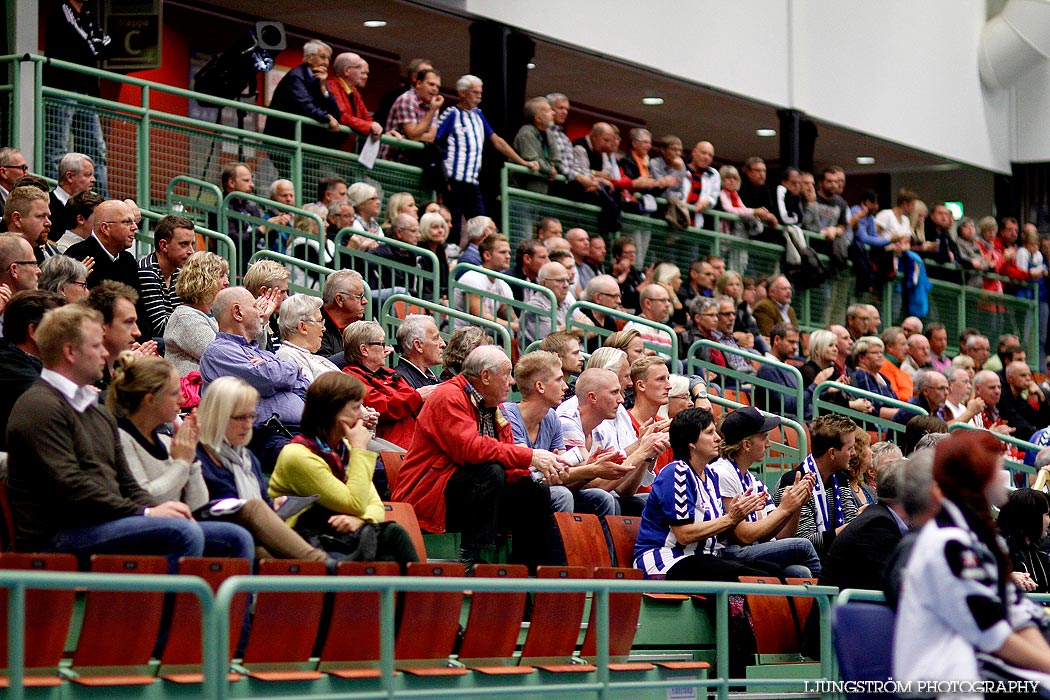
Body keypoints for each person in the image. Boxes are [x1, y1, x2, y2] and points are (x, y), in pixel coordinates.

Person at [6, 305, 207, 571]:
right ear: (70, 352)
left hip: (104, 522)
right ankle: (157, 614)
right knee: (183, 533)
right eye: (96, 346)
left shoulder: (97, 409)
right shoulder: (39, 406)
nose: (104, 353)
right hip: (57, 536)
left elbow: (127, 482)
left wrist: (160, 509)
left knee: (230, 536)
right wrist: (146, 514)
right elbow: (72, 489)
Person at [894, 431, 1050, 689]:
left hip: (978, 667)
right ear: (975, 477)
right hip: (943, 682)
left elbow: (1016, 610)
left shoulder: (976, 538)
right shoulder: (948, 543)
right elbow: (993, 634)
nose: (1004, 476)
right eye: (996, 466)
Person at [392, 345, 562, 571]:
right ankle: (471, 557)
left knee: (534, 491)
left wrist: (535, 474)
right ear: (485, 376)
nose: (511, 382)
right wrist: (531, 456)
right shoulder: (448, 396)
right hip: (431, 494)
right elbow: (470, 450)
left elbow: (506, 456)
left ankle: (526, 569)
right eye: (506, 374)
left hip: (468, 494)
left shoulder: (495, 407)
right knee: (489, 471)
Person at [269, 371, 420, 566]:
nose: (363, 414)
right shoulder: (298, 455)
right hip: (306, 541)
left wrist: (361, 520)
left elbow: (375, 504)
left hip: (341, 535)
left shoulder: (343, 449)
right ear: (332, 412)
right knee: (388, 544)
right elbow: (355, 503)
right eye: (356, 407)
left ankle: (422, 594)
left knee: (392, 536)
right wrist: (360, 449)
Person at [634, 408, 783, 580]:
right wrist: (731, 519)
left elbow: (719, 535)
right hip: (667, 561)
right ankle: (740, 608)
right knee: (746, 578)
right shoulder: (676, 473)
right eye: (710, 432)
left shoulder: (711, 476)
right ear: (691, 442)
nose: (718, 438)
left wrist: (739, 515)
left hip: (702, 558)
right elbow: (684, 535)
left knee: (774, 573)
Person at [199, 287, 307, 469]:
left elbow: (302, 384)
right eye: (256, 307)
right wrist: (293, 368)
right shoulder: (219, 352)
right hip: (263, 436)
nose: (261, 313)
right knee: (316, 461)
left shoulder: (261, 354)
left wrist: (282, 375)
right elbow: (265, 379)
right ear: (238, 312)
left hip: (298, 431)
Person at [708, 407, 822, 577]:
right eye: (764, 438)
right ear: (746, 444)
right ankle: (830, 597)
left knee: (800, 572)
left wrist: (795, 506)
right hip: (728, 552)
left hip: (753, 549)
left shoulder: (755, 481)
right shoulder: (722, 472)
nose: (768, 444)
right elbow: (743, 536)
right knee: (803, 546)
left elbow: (782, 537)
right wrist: (784, 509)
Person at [774, 414, 860, 557]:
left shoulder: (840, 478)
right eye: (850, 448)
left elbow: (851, 520)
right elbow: (805, 541)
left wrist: (861, 520)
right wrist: (860, 523)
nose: (854, 453)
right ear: (832, 453)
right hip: (807, 562)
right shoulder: (794, 482)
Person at [341, 320, 427, 451]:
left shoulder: (390, 373)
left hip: (415, 441)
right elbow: (382, 407)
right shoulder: (351, 378)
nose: (388, 349)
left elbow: (404, 401)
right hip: (391, 445)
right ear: (364, 350)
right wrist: (417, 396)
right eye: (381, 344)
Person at [0, 290, 63, 447]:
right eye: (63, 327)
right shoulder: (7, 363)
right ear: (34, 331)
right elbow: (55, 403)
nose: (72, 335)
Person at [163, 252, 229, 378]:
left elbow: (253, 349)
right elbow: (221, 357)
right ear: (203, 280)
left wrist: (259, 321)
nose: (227, 282)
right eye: (221, 276)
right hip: (193, 394)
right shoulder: (186, 317)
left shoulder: (215, 315)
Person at [263, 40, 340, 146]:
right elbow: (305, 105)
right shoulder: (296, 76)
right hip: (283, 139)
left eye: (328, 59)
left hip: (304, 141)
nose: (326, 62)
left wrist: (323, 88)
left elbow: (336, 113)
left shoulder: (319, 79)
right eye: (322, 57)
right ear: (309, 58)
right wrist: (327, 118)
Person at [137, 214, 197, 339]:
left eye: (192, 244)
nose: (191, 251)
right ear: (163, 246)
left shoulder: (178, 272)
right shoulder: (147, 271)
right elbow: (162, 328)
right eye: (184, 244)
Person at [66, 199, 139, 291]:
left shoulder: (128, 260)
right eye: (127, 222)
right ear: (105, 228)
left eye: (134, 222)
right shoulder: (77, 257)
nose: (135, 227)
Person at [275, 294, 341, 384]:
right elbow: (308, 394)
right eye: (320, 321)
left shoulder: (312, 356)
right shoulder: (288, 356)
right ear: (303, 327)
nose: (323, 328)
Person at [327, 52, 384, 151]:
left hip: (346, 151)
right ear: (347, 70)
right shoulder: (332, 86)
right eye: (361, 70)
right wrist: (369, 126)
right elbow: (342, 116)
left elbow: (366, 117)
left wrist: (375, 126)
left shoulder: (355, 92)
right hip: (331, 150)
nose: (365, 76)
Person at [997, 488, 1050, 594]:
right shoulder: (996, 546)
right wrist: (1007, 577)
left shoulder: (1038, 548)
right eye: (1047, 514)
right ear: (1032, 517)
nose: (1049, 520)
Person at [393, 314, 444, 389]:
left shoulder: (433, 379)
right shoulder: (400, 382)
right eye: (436, 338)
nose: (443, 344)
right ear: (418, 346)